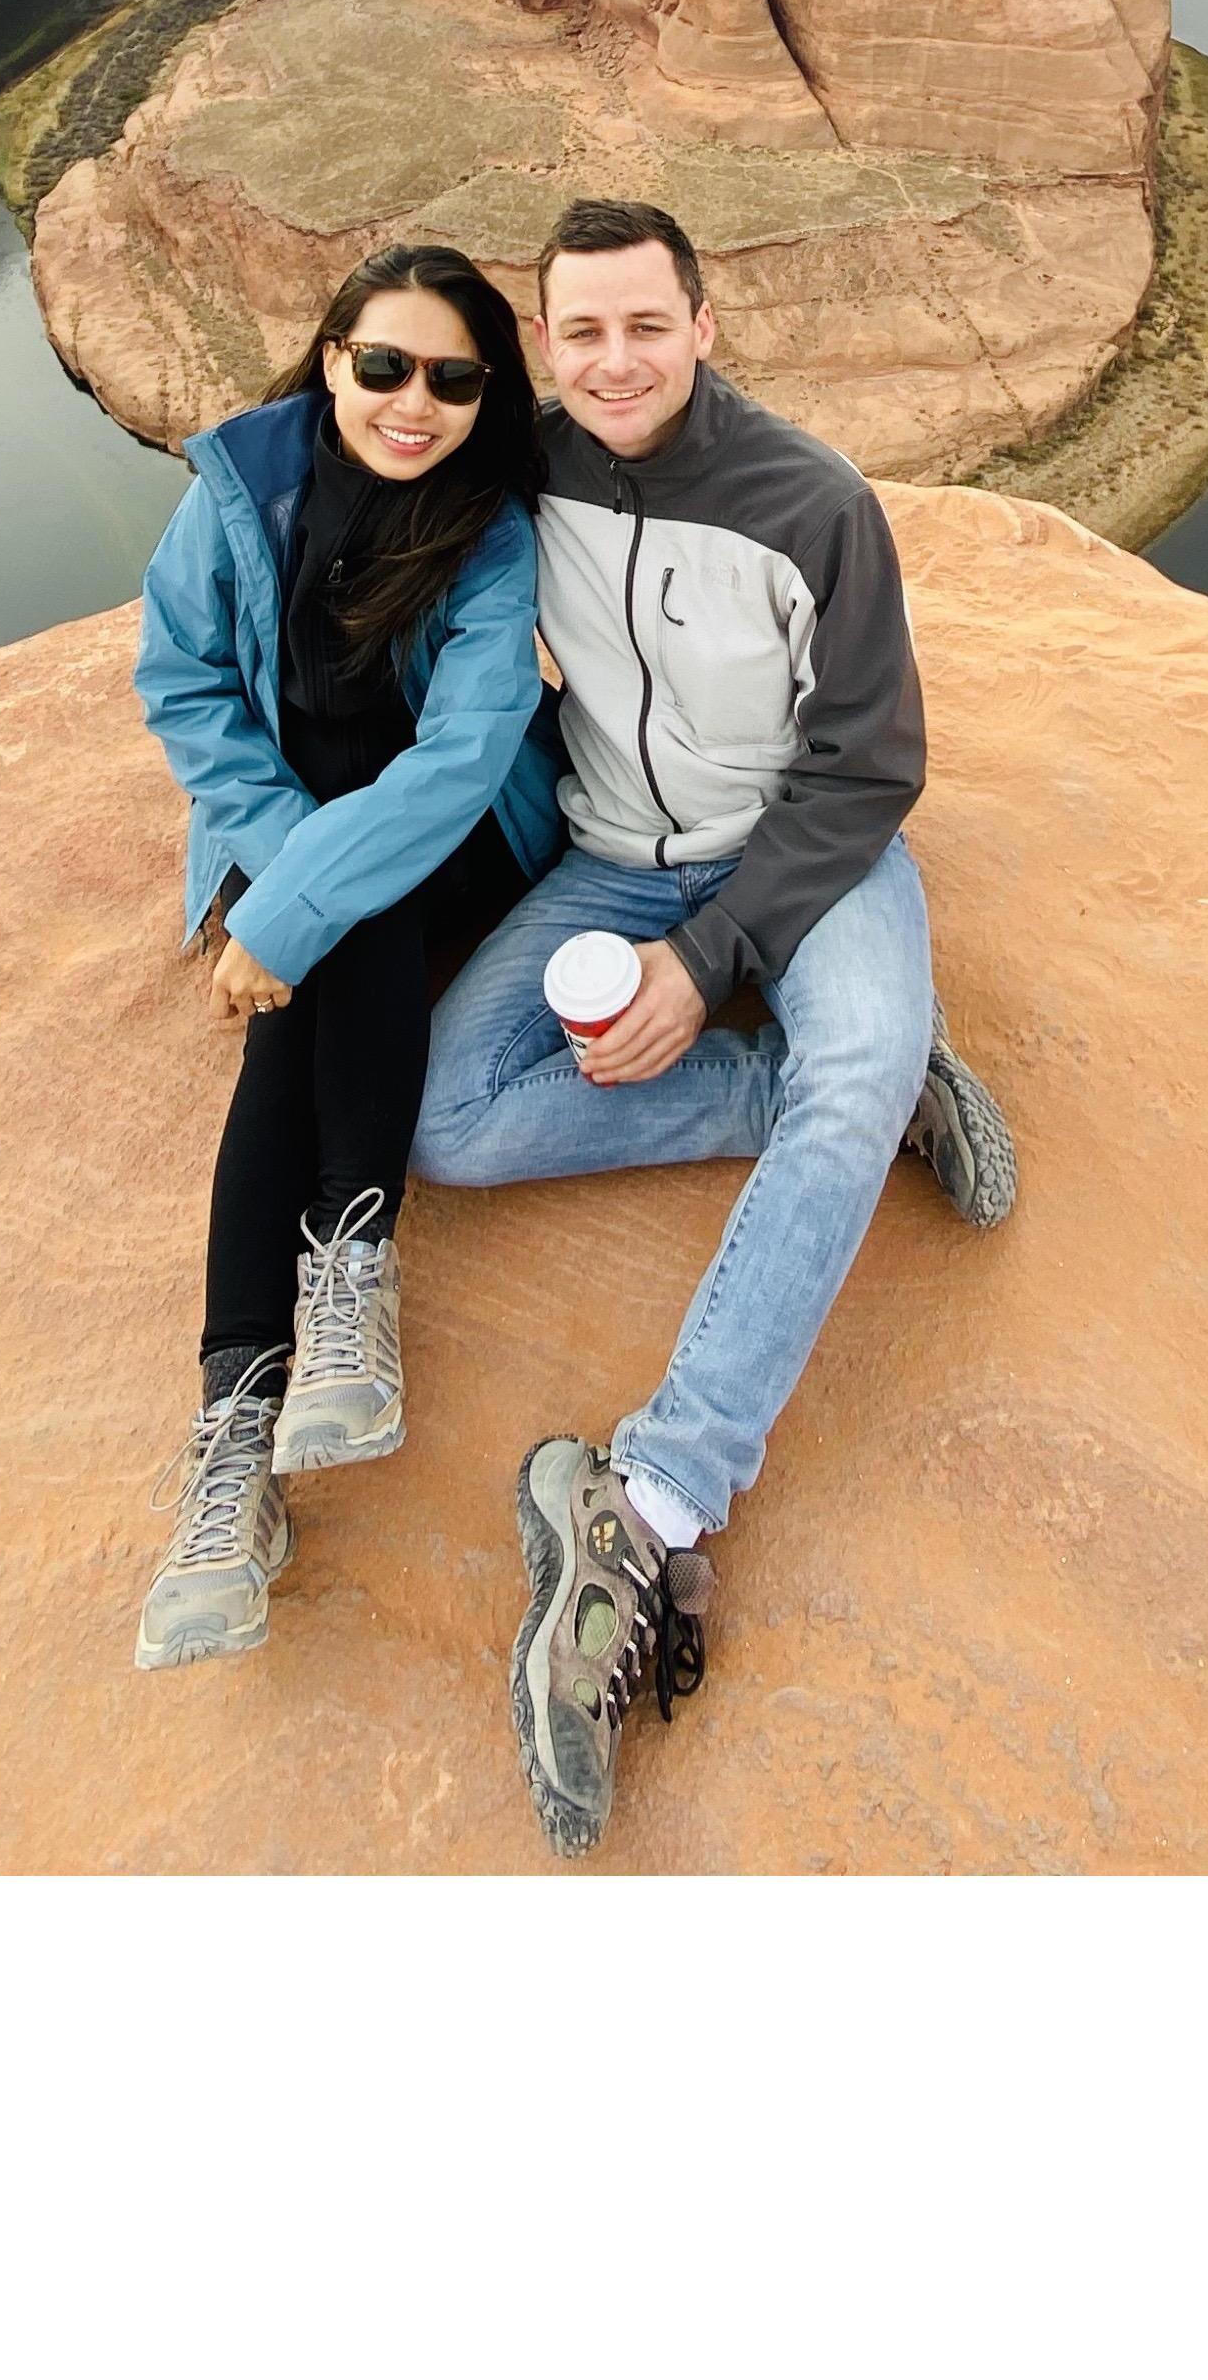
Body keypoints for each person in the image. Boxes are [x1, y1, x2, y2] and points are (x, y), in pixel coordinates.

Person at [412, 194, 1017, 1852]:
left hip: (808, 856)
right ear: (545, 346)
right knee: (449, 1119)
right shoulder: (519, 471)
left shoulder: (813, 505)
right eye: (581, 332)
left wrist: (709, 958)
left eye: (645, 324)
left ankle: (653, 1500)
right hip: (614, 857)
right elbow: (333, 484)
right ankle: (845, 1099)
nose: (615, 360)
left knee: (848, 1058)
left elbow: (872, 764)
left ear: (703, 323)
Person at [125, 241, 558, 1670]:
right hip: (289, 820)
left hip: (457, 831)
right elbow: (186, 683)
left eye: (453, 381)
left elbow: (462, 758)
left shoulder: (488, 527)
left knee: (361, 904)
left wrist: (294, 905)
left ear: (486, 396)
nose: (413, 403)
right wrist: (293, 871)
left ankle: (263, 1400)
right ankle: (291, 1355)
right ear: (330, 361)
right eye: (383, 366)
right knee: (337, 930)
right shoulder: (239, 493)